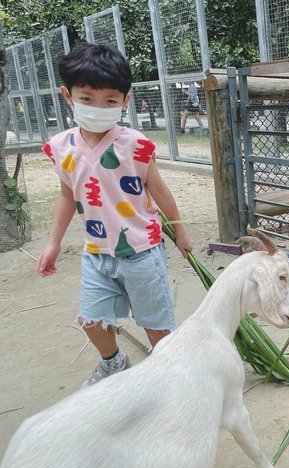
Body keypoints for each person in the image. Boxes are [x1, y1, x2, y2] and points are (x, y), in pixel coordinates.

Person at [37, 44, 193, 388]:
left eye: (110, 100)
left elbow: (160, 191)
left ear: (126, 100)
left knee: (156, 323)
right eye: (87, 98)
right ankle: (113, 362)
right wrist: (53, 243)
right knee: (91, 320)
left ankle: (170, 374)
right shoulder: (61, 147)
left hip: (142, 253)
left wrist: (180, 231)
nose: (99, 107)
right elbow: (67, 195)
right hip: (96, 253)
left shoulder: (134, 144)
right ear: (68, 95)